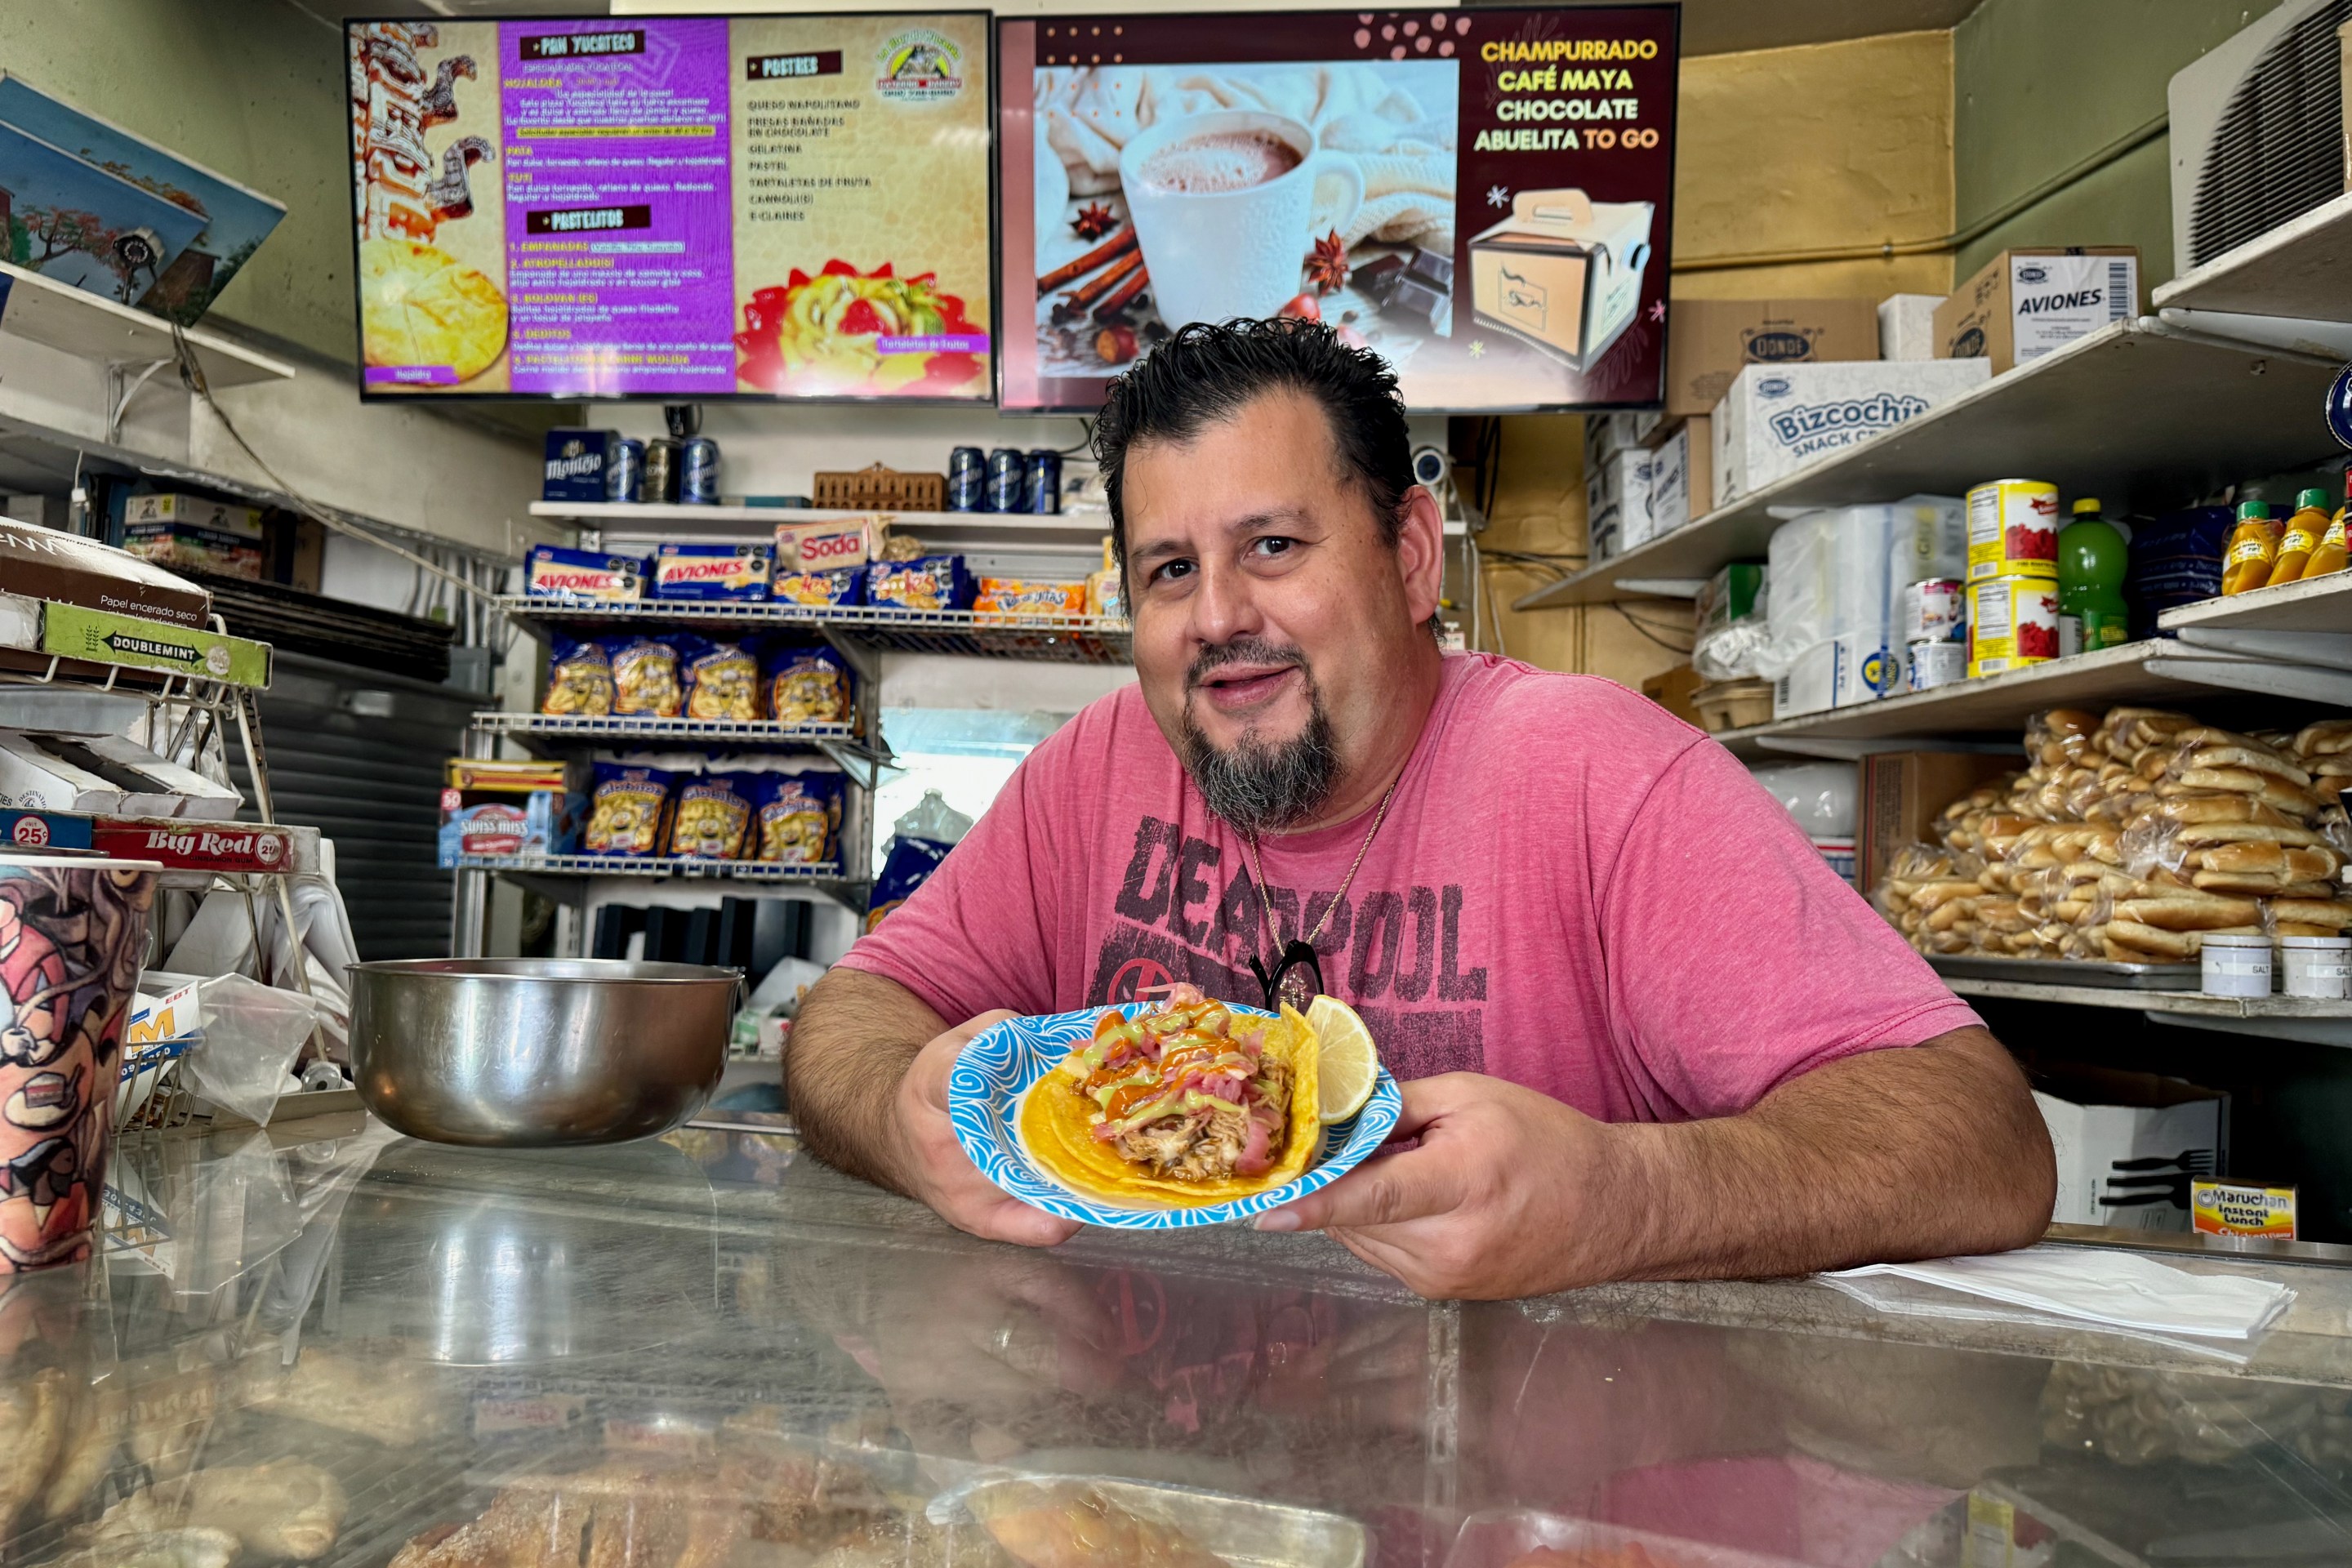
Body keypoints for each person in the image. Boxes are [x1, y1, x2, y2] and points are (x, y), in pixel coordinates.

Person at [791, 318, 2056, 1300]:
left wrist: (1630, 1196)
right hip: (1140, 1489)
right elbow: (851, 1015)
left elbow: (1981, 1139)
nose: (1220, 615)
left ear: (1407, 556)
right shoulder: (1094, 769)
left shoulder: (1600, 775)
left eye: (1273, 547)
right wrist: (904, 1120)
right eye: (1170, 570)